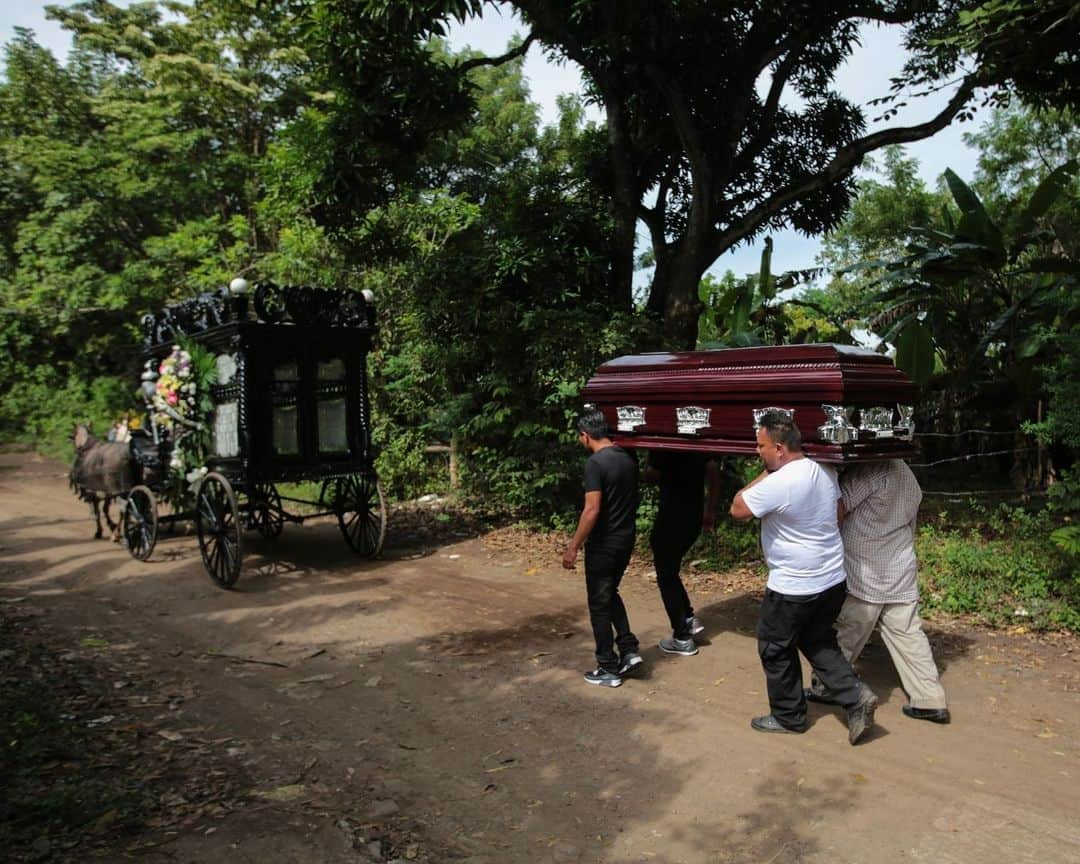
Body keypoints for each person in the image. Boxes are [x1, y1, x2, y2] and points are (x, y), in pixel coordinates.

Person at [730, 410, 877, 744]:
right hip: (831, 580)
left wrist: (765, 475)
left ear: (780, 449)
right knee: (816, 639)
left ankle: (788, 716)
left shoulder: (780, 482)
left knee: (774, 646)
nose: (758, 451)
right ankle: (856, 698)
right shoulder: (823, 470)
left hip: (795, 587)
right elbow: (838, 511)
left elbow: (737, 508)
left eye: (761, 446)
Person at [808, 460, 950, 724]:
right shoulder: (907, 472)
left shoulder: (870, 471)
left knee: (848, 632)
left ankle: (826, 686)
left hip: (866, 567)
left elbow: (836, 509)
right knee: (908, 634)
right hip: (899, 564)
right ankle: (930, 699)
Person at [562, 407, 642, 688]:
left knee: (598, 603)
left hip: (604, 544)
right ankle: (629, 649)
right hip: (626, 539)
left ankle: (607, 666)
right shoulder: (627, 458)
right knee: (610, 593)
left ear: (585, 436)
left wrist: (573, 547)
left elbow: (591, 510)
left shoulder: (595, 464)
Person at [645, 451, 721, 656]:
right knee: (670, 571)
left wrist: (648, 462)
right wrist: (710, 510)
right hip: (693, 517)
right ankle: (687, 618)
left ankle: (682, 637)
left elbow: (651, 476)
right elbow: (714, 473)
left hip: (670, 518)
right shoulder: (698, 446)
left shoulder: (663, 445)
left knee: (665, 575)